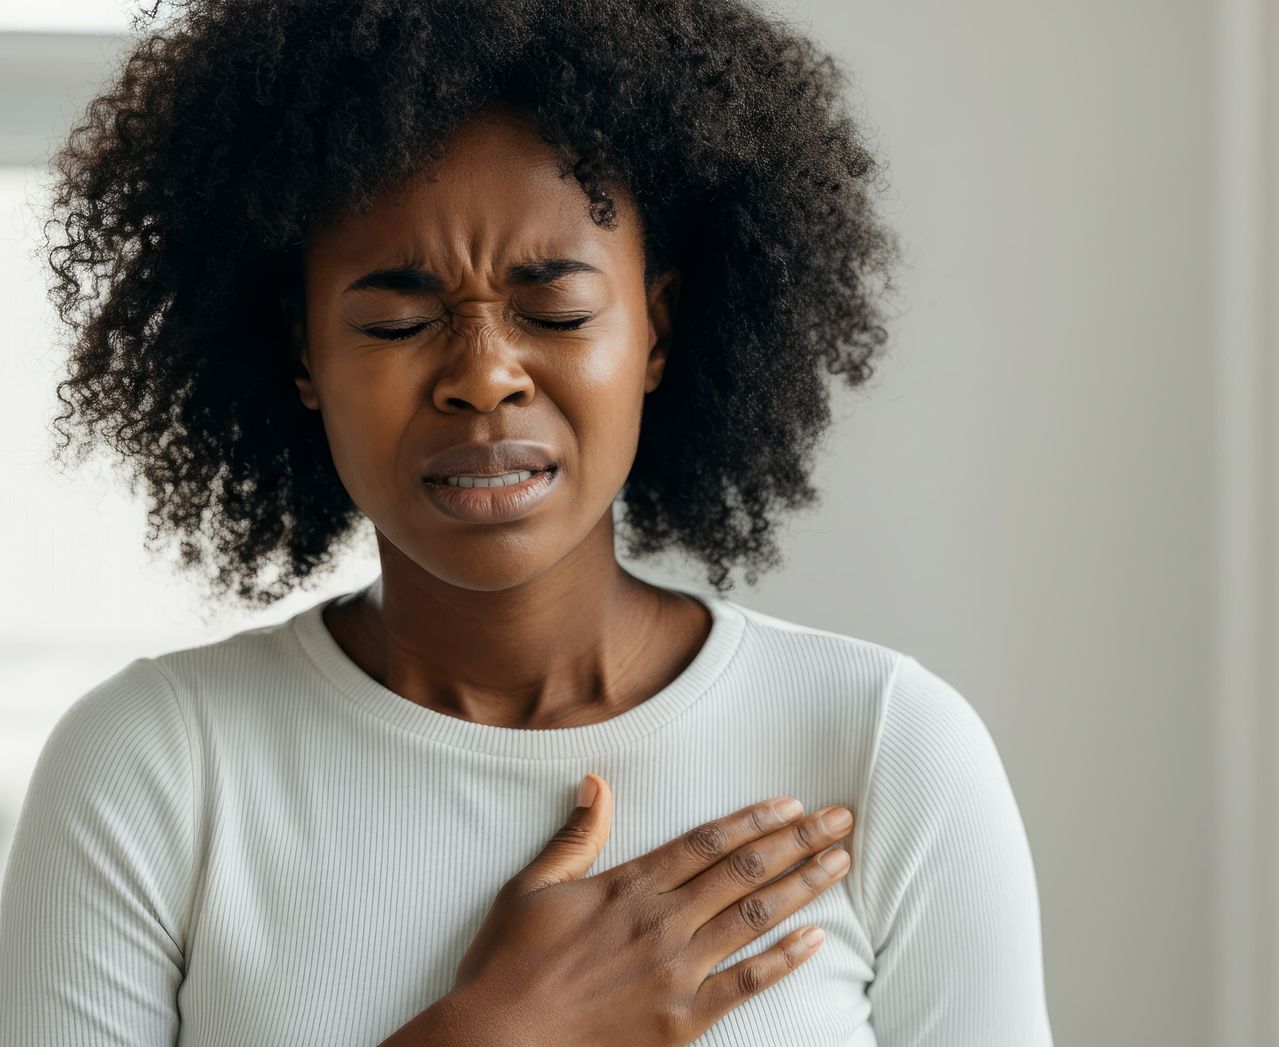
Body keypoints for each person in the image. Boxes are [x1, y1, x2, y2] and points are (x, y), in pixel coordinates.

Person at [0, 1, 1053, 1044]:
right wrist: (500, 1028)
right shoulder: (155, 765)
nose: (483, 375)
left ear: (655, 333)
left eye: (557, 312)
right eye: (397, 321)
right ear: (304, 353)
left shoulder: (883, 742)